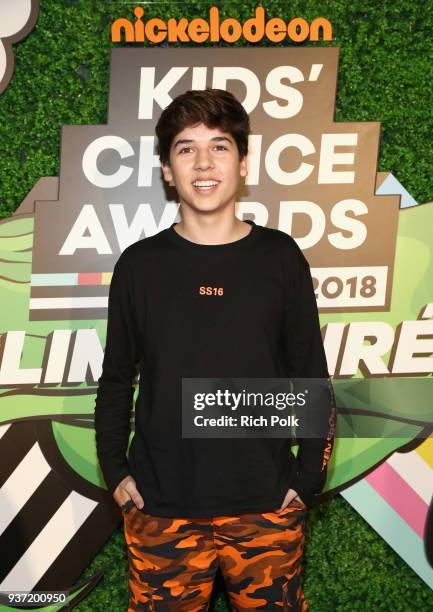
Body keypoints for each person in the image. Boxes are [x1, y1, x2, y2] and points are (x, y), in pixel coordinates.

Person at [94, 87, 336, 611]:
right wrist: (114, 470)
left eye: (219, 146)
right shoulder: (139, 266)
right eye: (186, 148)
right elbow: (116, 379)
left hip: (265, 508)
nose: (203, 164)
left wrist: (308, 477)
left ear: (243, 162)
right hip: (160, 510)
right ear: (165, 168)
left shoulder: (279, 257)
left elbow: (311, 376)